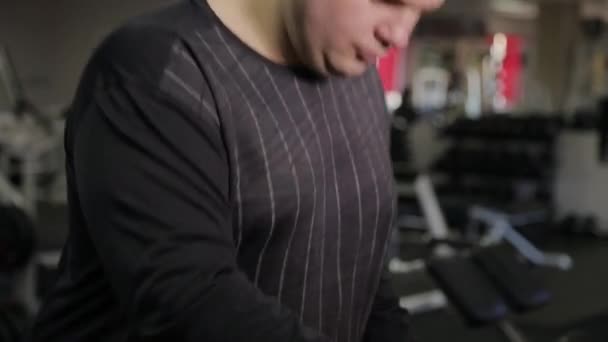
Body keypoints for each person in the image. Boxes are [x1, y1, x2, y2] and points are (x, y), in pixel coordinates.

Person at [29, 0, 443, 341]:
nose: (400, 35)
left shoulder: (356, 76)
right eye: (389, 1)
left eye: (421, 11)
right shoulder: (156, 69)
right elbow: (192, 303)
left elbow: (359, 264)